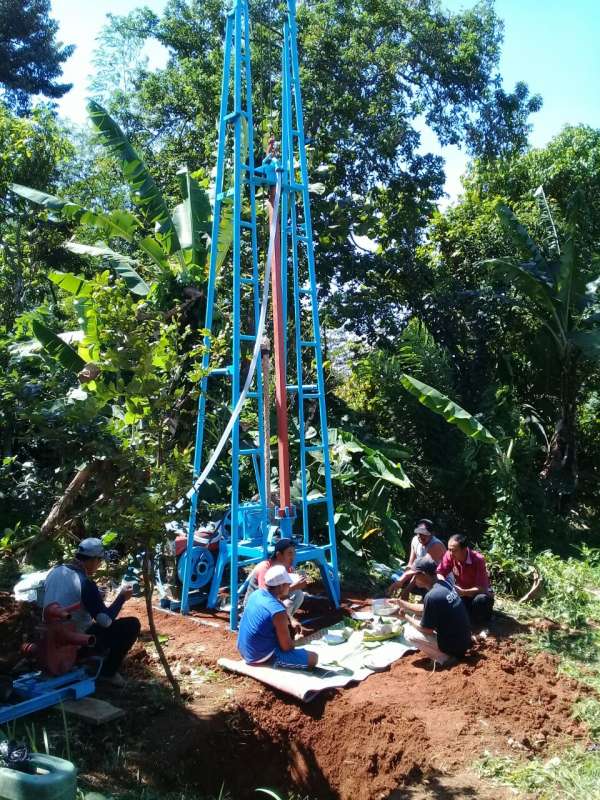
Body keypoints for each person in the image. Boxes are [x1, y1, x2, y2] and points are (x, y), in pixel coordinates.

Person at [43, 538, 140, 687]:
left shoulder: (55, 571)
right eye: (99, 561)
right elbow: (105, 621)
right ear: (94, 560)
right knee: (132, 625)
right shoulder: (85, 583)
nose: (99, 565)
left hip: (48, 638)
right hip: (74, 642)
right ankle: (108, 672)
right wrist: (121, 598)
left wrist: (94, 598)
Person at [396, 557, 472, 668]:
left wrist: (406, 617)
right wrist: (401, 603)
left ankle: (445, 658)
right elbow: (425, 609)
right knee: (417, 618)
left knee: (408, 632)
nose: (413, 578)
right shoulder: (445, 585)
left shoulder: (431, 596)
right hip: (464, 640)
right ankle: (449, 653)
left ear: (424, 574)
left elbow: (426, 629)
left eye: (415, 575)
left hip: (454, 647)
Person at [237, 565, 318, 669]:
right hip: (260, 657)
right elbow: (287, 647)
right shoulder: (277, 612)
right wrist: (298, 641)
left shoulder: (257, 593)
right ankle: (271, 663)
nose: (290, 586)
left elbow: (278, 604)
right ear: (280, 586)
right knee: (313, 658)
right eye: (288, 584)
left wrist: (291, 620)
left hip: (244, 650)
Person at [244, 538, 306, 630]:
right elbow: (266, 595)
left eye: (294, 553)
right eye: (289, 553)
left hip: (270, 600)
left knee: (298, 594)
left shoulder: (286, 567)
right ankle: (276, 626)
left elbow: (279, 593)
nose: (293, 557)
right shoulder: (264, 567)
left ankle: (284, 621)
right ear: (279, 555)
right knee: (287, 603)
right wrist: (293, 587)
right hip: (255, 606)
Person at [436, 533, 494, 626]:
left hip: (478, 594)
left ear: (464, 549)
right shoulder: (450, 555)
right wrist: (444, 586)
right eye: (449, 549)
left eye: (454, 550)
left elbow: (482, 588)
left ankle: (483, 623)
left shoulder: (478, 559)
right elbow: (440, 572)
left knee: (481, 600)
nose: (450, 553)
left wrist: (463, 592)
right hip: (462, 593)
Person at [387, 519, 446, 599]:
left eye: (424, 534)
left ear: (432, 534)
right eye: (419, 533)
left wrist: (406, 589)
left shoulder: (435, 546)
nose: (420, 536)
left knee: (408, 579)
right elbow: (411, 564)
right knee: (396, 576)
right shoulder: (415, 540)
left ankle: (431, 599)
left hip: (439, 580)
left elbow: (420, 569)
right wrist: (399, 582)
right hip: (420, 574)